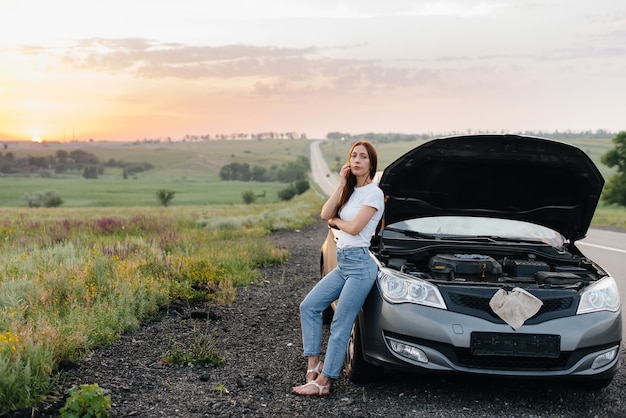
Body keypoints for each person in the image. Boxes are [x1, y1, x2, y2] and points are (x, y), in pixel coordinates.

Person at [292, 140, 384, 396]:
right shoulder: (351, 190)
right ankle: (314, 364)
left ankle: (324, 381)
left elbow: (354, 228)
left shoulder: (374, 194)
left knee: (341, 324)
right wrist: (342, 185)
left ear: (371, 163)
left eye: (363, 157)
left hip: (360, 267)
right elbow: (324, 213)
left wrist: (337, 220)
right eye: (353, 156)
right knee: (309, 306)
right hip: (345, 264)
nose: (356, 160)